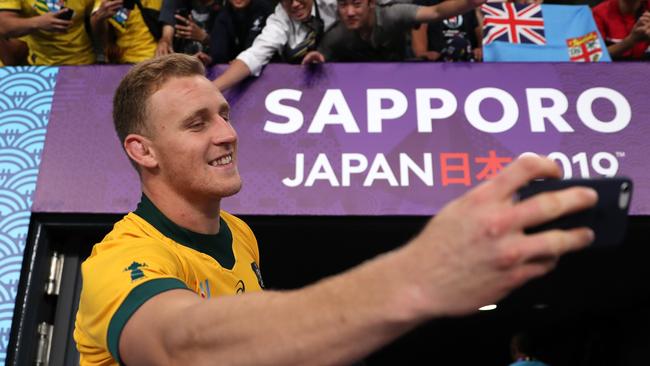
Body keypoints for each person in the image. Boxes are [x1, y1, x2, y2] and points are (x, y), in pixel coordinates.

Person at [74, 53, 598, 365]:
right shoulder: (116, 262)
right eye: (197, 123)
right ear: (142, 151)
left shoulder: (239, 234)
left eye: (224, 114)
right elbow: (181, 349)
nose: (228, 134)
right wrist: (416, 277)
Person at [301, 0, 485, 63]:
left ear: (371, 3)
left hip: (399, 76)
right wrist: (316, 56)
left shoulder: (394, 14)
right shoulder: (337, 35)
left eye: (357, 4)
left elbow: (435, 11)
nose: (349, 12)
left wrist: (469, 3)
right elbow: (321, 57)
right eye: (343, 5)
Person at [211, 0, 338, 90]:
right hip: (300, 85)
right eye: (287, 1)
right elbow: (255, 55)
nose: (295, 4)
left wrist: (325, 53)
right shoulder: (280, 18)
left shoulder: (334, 5)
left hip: (342, 74)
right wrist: (213, 90)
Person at [0, 0, 95, 65]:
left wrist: (99, 17)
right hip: (42, 64)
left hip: (84, 61)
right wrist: (38, 23)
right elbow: (3, 26)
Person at [91, 0, 163, 63]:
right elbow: (96, 26)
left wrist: (165, 39)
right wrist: (98, 18)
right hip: (124, 60)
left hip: (156, 59)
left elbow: (169, 18)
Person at [411, 0, 482, 62]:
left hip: (467, 61)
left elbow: (481, 36)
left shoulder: (470, 4)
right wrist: (424, 54)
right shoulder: (425, 2)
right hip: (437, 62)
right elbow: (420, 51)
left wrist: (479, 50)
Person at [208, 0, 274, 64]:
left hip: (269, 65)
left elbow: (257, 44)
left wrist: (241, 61)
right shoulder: (221, 12)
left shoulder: (264, 8)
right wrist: (210, 59)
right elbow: (218, 49)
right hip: (237, 65)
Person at [156, 0, 222, 64]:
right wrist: (165, 41)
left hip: (213, 63)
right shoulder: (176, 2)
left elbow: (226, 49)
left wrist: (204, 37)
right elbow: (167, 33)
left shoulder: (225, 5)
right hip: (182, 63)